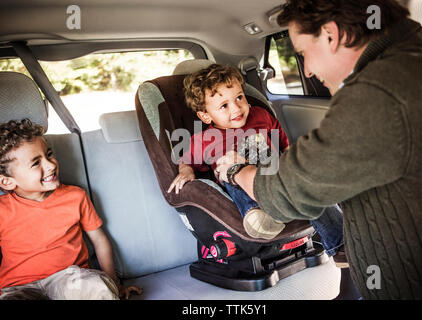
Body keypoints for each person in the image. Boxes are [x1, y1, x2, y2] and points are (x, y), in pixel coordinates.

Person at [215, 0, 422, 299]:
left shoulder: (376, 93)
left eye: (302, 54)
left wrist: (237, 170)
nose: (309, 71)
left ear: (330, 34)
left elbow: (289, 190)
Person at [168, 64, 345, 262]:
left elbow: (285, 148)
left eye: (239, 97)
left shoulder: (261, 116)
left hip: (275, 175)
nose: (236, 108)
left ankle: (340, 247)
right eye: (224, 106)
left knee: (310, 191)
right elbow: (186, 162)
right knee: (229, 173)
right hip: (240, 183)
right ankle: (258, 214)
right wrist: (185, 171)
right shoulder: (203, 140)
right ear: (205, 116)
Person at [0, 119, 143, 300]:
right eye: (36, 163)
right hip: (18, 287)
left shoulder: (75, 196)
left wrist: (115, 282)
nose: (51, 165)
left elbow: (99, 239)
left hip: (69, 280)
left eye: (49, 154)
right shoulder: (2, 210)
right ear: (7, 181)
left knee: (98, 287)